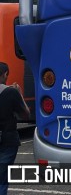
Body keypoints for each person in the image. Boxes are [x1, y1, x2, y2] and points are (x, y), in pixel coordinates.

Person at [0, 62, 30, 195]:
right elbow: (26, 114)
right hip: (7, 139)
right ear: (5, 74)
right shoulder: (11, 92)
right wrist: (19, 94)